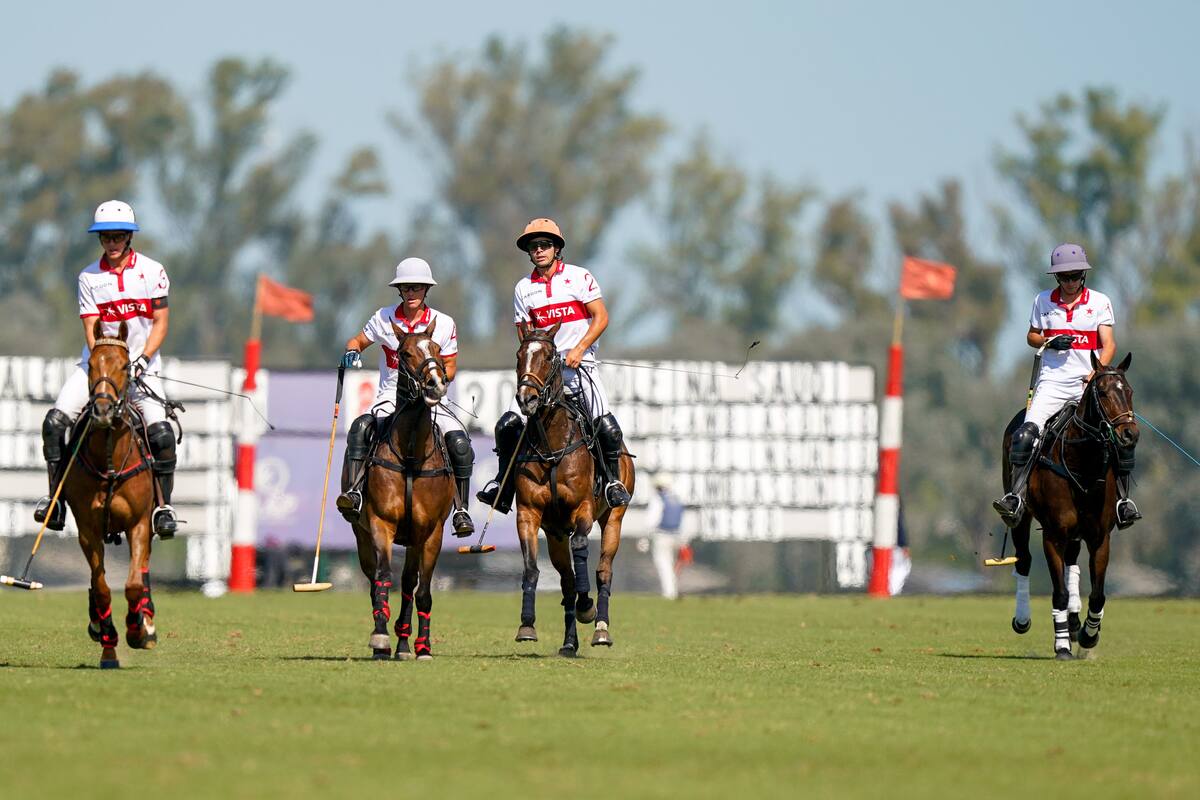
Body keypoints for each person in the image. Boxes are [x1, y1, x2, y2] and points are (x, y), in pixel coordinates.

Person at [34, 201, 178, 537]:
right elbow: (91, 327)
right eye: (104, 238)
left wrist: (141, 361)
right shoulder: (88, 277)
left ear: (129, 237)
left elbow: (160, 323)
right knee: (54, 424)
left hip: (143, 367)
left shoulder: (153, 271)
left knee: (161, 433)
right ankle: (55, 500)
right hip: (96, 365)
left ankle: (163, 507)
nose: (111, 243)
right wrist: (103, 363)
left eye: (117, 237)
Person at [476, 218, 632, 514]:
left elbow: (601, 317)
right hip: (543, 375)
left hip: (580, 367)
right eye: (534, 246)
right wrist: (538, 359)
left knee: (606, 426)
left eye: (545, 245)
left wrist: (580, 349)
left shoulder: (579, 277)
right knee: (507, 425)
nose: (539, 250)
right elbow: (524, 333)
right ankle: (503, 485)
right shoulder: (523, 288)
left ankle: (612, 482)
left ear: (557, 248)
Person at [993, 243, 1141, 529]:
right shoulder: (1042, 301)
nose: (1070, 282)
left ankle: (1123, 502)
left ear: (1083, 275)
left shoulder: (1099, 302)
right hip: (1051, 383)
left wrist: (1095, 374)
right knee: (1025, 435)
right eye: (1064, 277)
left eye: (1074, 276)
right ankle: (1016, 497)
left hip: (1089, 385)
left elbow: (1109, 344)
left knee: (1122, 435)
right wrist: (1048, 341)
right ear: (1056, 278)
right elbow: (1031, 336)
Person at [335, 257, 475, 536]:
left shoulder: (444, 323)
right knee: (360, 428)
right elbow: (358, 340)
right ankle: (354, 493)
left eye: (417, 288)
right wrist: (352, 351)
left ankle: (461, 509)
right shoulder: (383, 317)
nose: (412, 293)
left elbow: (450, 365)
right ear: (399, 291)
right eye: (406, 288)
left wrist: (438, 382)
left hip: (433, 398)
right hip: (391, 397)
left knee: (459, 443)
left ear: (426, 290)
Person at [647, 475, 684, 600]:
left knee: (663, 564)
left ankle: (669, 592)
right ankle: (673, 590)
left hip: (662, 535)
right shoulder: (676, 499)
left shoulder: (658, 499)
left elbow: (652, 520)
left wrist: (646, 536)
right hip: (676, 535)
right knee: (671, 564)